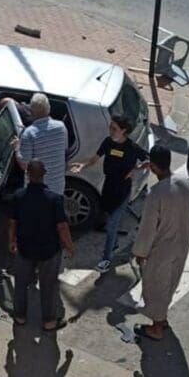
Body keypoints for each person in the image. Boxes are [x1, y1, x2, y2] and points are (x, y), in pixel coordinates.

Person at [70, 114, 149, 274]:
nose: (111, 131)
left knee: (111, 226)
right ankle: (113, 245)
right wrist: (82, 166)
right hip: (108, 187)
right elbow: (95, 158)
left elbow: (150, 160)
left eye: (114, 128)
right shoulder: (107, 142)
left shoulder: (132, 148)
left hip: (122, 190)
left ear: (124, 131)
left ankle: (106, 259)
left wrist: (136, 169)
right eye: (110, 127)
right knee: (107, 219)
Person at [132, 145, 189, 340]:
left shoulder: (156, 193)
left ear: (153, 167)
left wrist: (140, 252)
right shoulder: (185, 182)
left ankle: (157, 327)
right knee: (170, 283)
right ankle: (162, 319)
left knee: (155, 285)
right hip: (182, 243)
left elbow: (148, 228)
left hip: (163, 248)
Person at [8, 160, 75, 331]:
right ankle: (49, 322)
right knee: (48, 286)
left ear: (27, 174)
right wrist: (69, 246)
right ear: (44, 174)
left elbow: (12, 222)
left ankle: (20, 317)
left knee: (21, 284)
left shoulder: (19, 196)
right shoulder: (54, 199)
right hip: (49, 251)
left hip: (24, 248)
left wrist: (12, 241)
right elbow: (62, 226)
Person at [13, 93, 68, 195]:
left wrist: (17, 147)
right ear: (49, 108)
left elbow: (24, 165)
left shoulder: (29, 134)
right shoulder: (61, 127)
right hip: (57, 188)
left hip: (37, 192)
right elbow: (63, 148)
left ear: (31, 112)